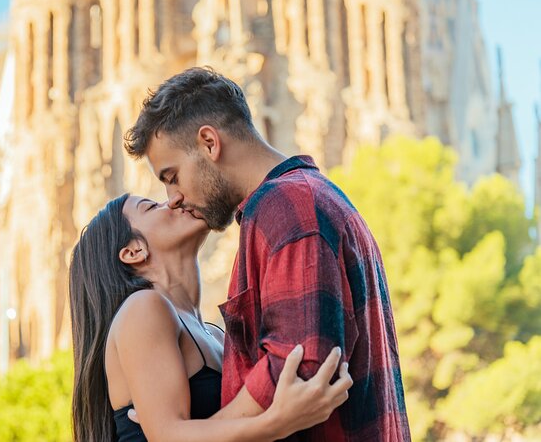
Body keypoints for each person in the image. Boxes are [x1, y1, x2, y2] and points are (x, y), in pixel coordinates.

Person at [124, 67, 411, 441]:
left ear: (210, 142)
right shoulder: (305, 198)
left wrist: (184, 434)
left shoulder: (287, 206)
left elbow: (300, 364)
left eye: (172, 175)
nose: (173, 199)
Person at [69, 193, 353, 442]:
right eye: (151, 207)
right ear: (133, 251)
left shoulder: (215, 335)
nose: (172, 200)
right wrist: (276, 423)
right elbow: (168, 436)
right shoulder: (143, 309)